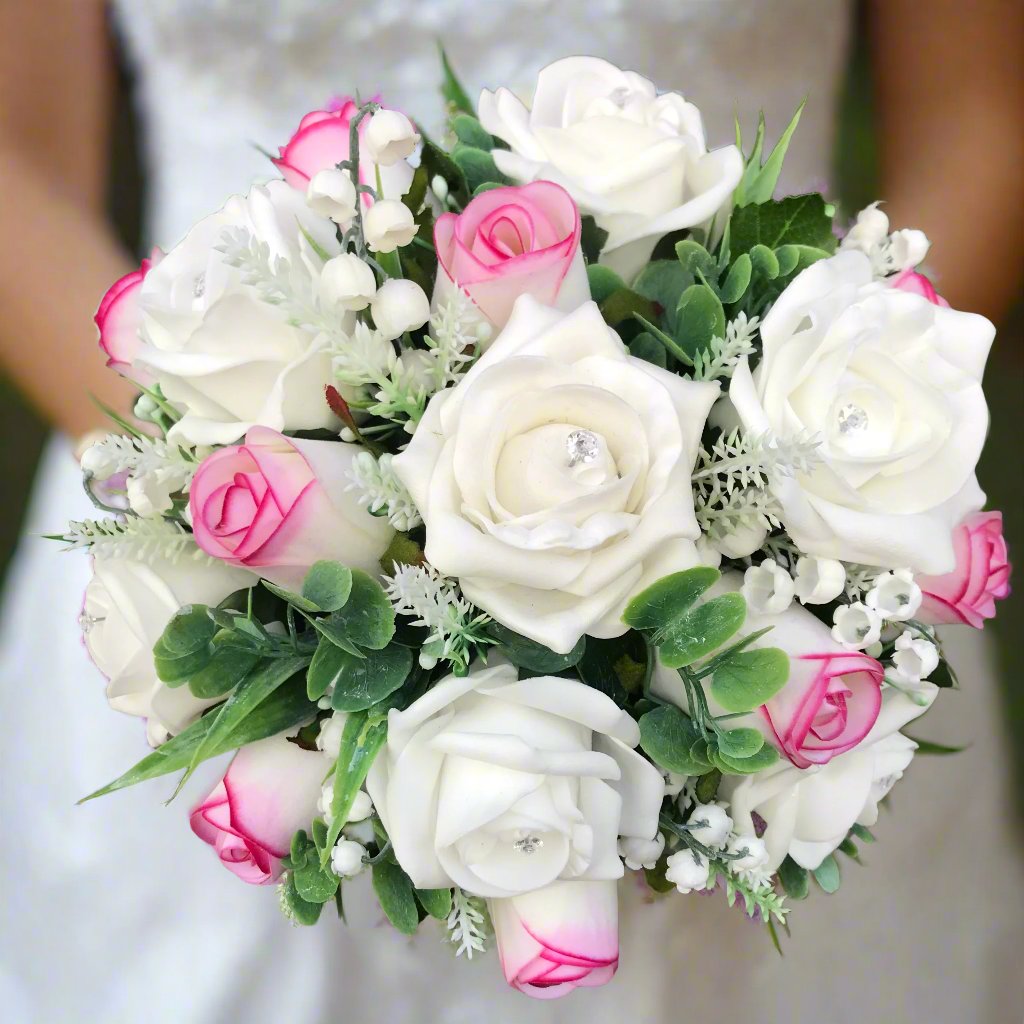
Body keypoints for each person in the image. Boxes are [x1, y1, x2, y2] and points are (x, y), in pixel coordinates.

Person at [0, 2, 1021, 1021]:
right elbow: (18, 168)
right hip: (218, 562)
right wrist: (236, 509)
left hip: (796, 576)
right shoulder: (228, 525)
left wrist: (764, 508)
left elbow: (980, 119)